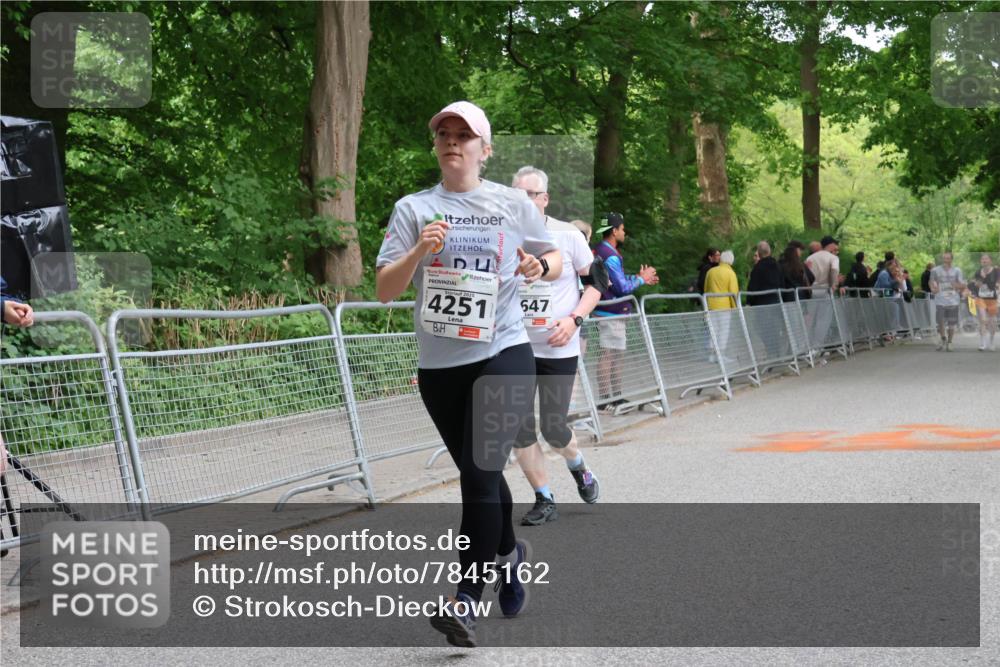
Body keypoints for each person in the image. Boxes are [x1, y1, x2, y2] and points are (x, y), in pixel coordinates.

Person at [375, 101, 563, 647]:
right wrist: (418, 251)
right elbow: (385, 289)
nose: (452, 142)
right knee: (484, 478)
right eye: (444, 135)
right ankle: (509, 555)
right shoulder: (413, 208)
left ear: (485, 148)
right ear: (435, 145)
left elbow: (554, 259)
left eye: (465, 135)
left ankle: (464, 601)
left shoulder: (510, 202)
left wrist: (536, 265)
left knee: (478, 477)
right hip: (441, 367)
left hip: (504, 351)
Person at [509, 167, 603, 527]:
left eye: (530, 194)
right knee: (518, 423)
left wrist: (575, 319)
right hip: (515, 345)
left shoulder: (567, 235)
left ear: (544, 199)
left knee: (554, 427)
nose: (523, 200)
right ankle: (543, 497)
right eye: (517, 193)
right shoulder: (501, 234)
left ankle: (578, 466)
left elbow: (596, 283)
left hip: (557, 346)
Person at [592, 212, 657, 411]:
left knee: (614, 354)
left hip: (607, 311)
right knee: (610, 354)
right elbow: (621, 288)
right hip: (611, 312)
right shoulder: (610, 255)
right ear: (614, 231)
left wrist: (638, 277)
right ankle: (607, 400)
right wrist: (641, 279)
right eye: (622, 228)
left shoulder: (602, 250)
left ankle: (614, 398)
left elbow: (615, 280)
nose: (624, 232)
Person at [804, 235, 841, 353]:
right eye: (835, 247)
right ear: (830, 245)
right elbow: (834, 272)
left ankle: (807, 346)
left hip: (811, 291)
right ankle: (817, 346)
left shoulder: (810, 258)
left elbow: (804, 276)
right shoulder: (833, 258)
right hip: (825, 290)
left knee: (810, 320)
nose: (836, 250)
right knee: (823, 320)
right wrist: (833, 285)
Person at [704, 250, 739, 362]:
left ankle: (711, 355)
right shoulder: (731, 273)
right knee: (724, 330)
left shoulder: (711, 271)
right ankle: (721, 354)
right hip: (724, 307)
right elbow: (733, 292)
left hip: (710, 305)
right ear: (731, 261)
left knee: (713, 329)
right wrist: (735, 308)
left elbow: (706, 288)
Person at [930, 251, 965, 352]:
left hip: (953, 301)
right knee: (940, 322)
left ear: (951, 259)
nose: (946, 260)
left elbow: (962, 285)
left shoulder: (957, 270)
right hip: (940, 300)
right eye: (944, 258)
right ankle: (943, 338)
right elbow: (931, 282)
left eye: (948, 258)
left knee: (951, 323)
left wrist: (956, 285)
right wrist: (933, 288)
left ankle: (949, 342)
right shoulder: (935, 270)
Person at [967, 253, 998, 351]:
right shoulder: (978, 272)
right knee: (983, 320)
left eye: (986, 259)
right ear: (981, 261)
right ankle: (983, 343)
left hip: (992, 299)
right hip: (981, 299)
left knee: (992, 322)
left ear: (990, 261)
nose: (984, 260)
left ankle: (991, 342)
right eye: (982, 259)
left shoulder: (996, 271)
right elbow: (977, 285)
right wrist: (981, 278)